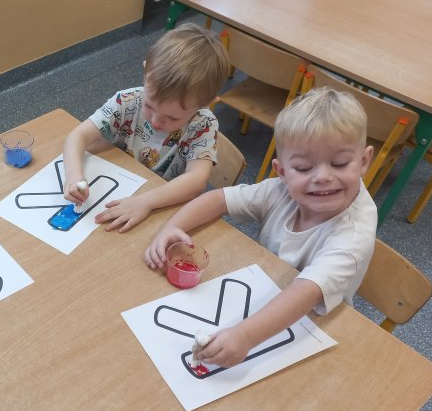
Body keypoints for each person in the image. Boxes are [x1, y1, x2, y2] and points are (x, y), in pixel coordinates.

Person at [144, 87, 377, 368]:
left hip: (312, 324)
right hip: (266, 287)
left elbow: (307, 291)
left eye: (339, 163)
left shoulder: (353, 236)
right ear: (282, 171)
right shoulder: (280, 189)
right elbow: (219, 199)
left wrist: (245, 336)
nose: (322, 177)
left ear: (364, 161)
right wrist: (171, 227)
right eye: (304, 168)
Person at [62, 22, 230, 232]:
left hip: (160, 205)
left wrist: (146, 202)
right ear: (146, 71)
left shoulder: (203, 124)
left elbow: (196, 181)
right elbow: (77, 136)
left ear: (205, 104)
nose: (156, 121)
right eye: (150, 106)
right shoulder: (128, 101)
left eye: (172, 117)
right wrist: (74, 175)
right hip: (120, 189)